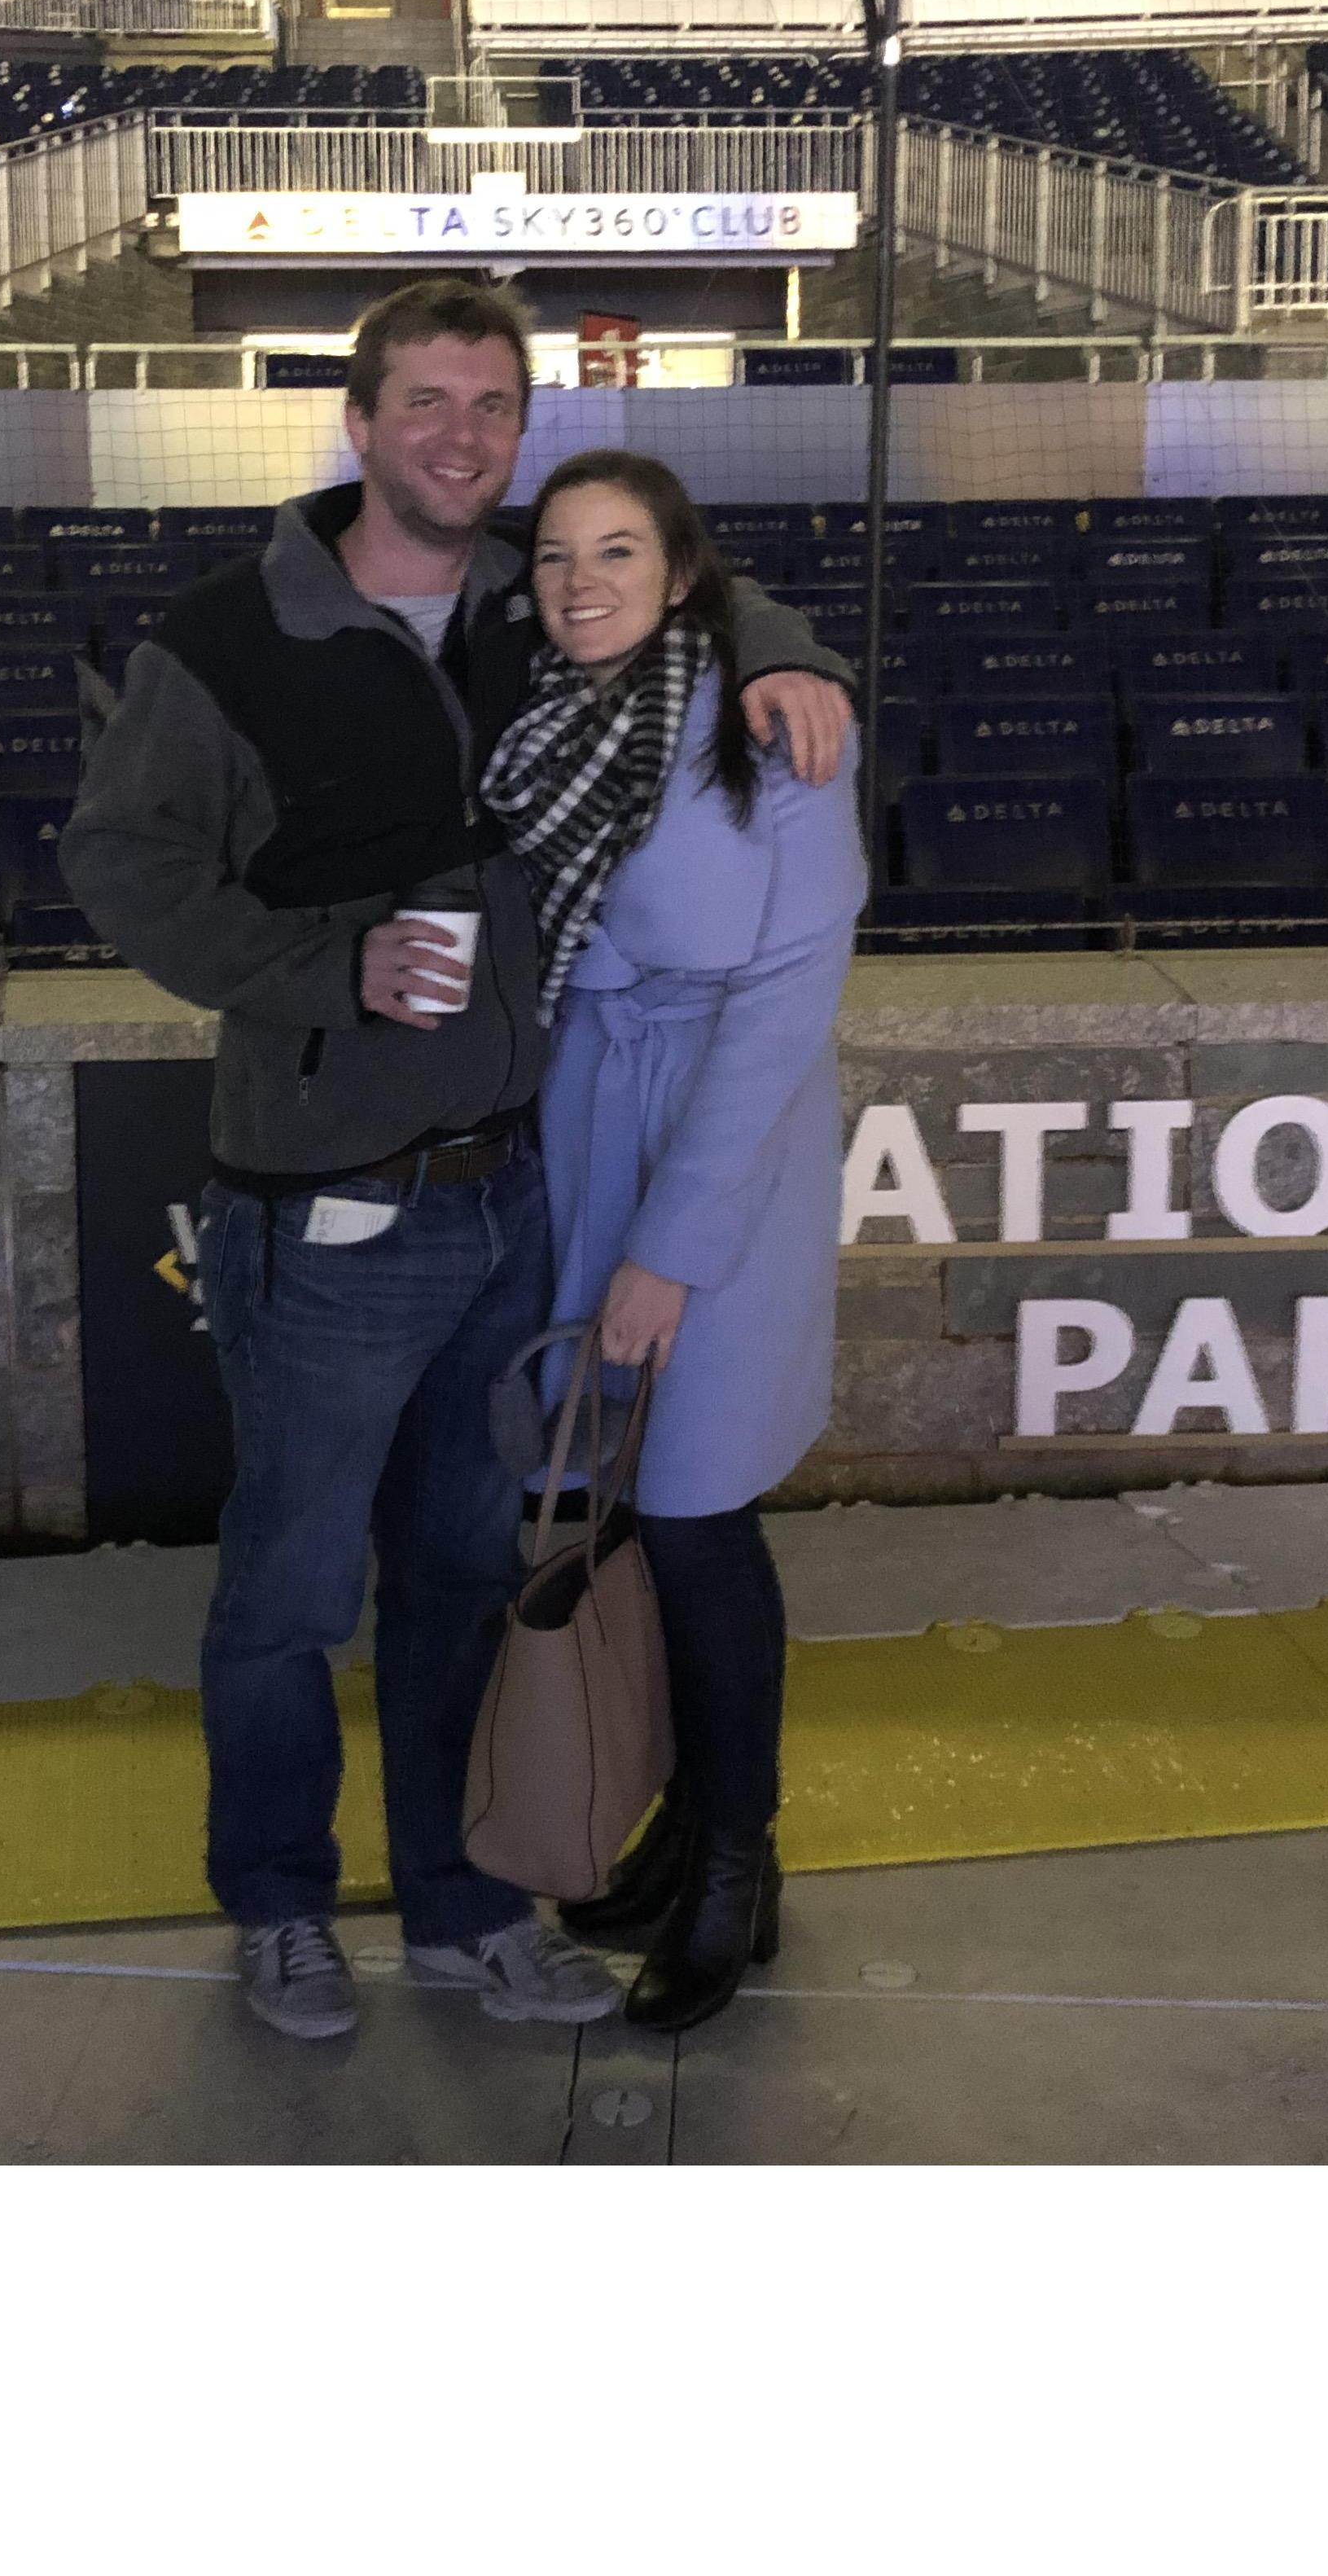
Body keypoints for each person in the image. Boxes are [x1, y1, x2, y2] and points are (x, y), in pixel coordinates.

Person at [56, 277, 853, 2043]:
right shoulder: (225, 636)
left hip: (512, 1196)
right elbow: (123, 867)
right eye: (425, 403)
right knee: (285, 1591)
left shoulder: (528, 595)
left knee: (462, 1583)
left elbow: (688, 606)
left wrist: (791, 648)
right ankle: (276, 1905)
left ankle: (463, 1905)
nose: (460, 437)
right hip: (329, 1207)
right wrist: (319, 965)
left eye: (491, 407)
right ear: (357, 422)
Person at [483, 450, 866, 2032]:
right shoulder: (532, 728)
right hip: (582, 1121)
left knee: (701, 1512)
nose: (584, 582)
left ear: (684, 573)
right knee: (619, 1510)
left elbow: (783, 1005)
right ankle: (666, 1828)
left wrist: (669, 1248)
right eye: (561, 555)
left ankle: (736, 1868)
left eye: (620, 551)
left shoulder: (779, 728)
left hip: (728, 1146)